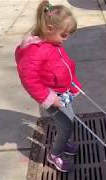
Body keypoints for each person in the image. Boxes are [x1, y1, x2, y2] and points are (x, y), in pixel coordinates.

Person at [14, 0, 82, 172]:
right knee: (66, 125)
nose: (65, 39)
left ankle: (63, 142)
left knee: (70, 120)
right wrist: (50, 99)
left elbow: (64, 66)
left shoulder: (53, 43)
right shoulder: (35, 51)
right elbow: (29, 80)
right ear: (50, 28)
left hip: (62, 92)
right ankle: (55, 154)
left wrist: (73, 85)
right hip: (52, 97)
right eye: (64, 35)